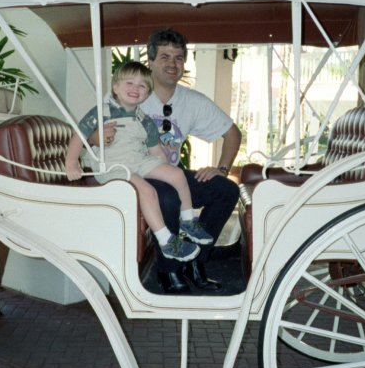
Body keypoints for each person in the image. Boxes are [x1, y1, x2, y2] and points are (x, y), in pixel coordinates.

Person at [89, 30, 242, 294]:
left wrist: (221, 169)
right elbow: (92, 135)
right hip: (134, 174)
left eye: (179, 57)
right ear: (150, 61)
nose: (172, 63)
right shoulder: (128, 95)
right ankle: (168, 271)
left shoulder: (191, 101)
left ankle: (195, 261)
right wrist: (97, 138)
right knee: (168, 195)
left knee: (225, 189)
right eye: (164, 56)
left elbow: (232, 133)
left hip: (167, 171)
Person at [65, 61, 214, 263]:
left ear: (147, 93)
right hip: (113, 166)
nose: (135, 89)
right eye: (129, 83)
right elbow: (79, 136)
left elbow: (156, 151)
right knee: (146, 190)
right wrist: (72, 162)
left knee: (177, 174)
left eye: (142, 86)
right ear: (115, 87)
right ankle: (166, 240)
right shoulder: (102, 112)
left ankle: (188, 220)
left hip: (138, 160)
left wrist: (164, 170)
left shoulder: (143, 119)